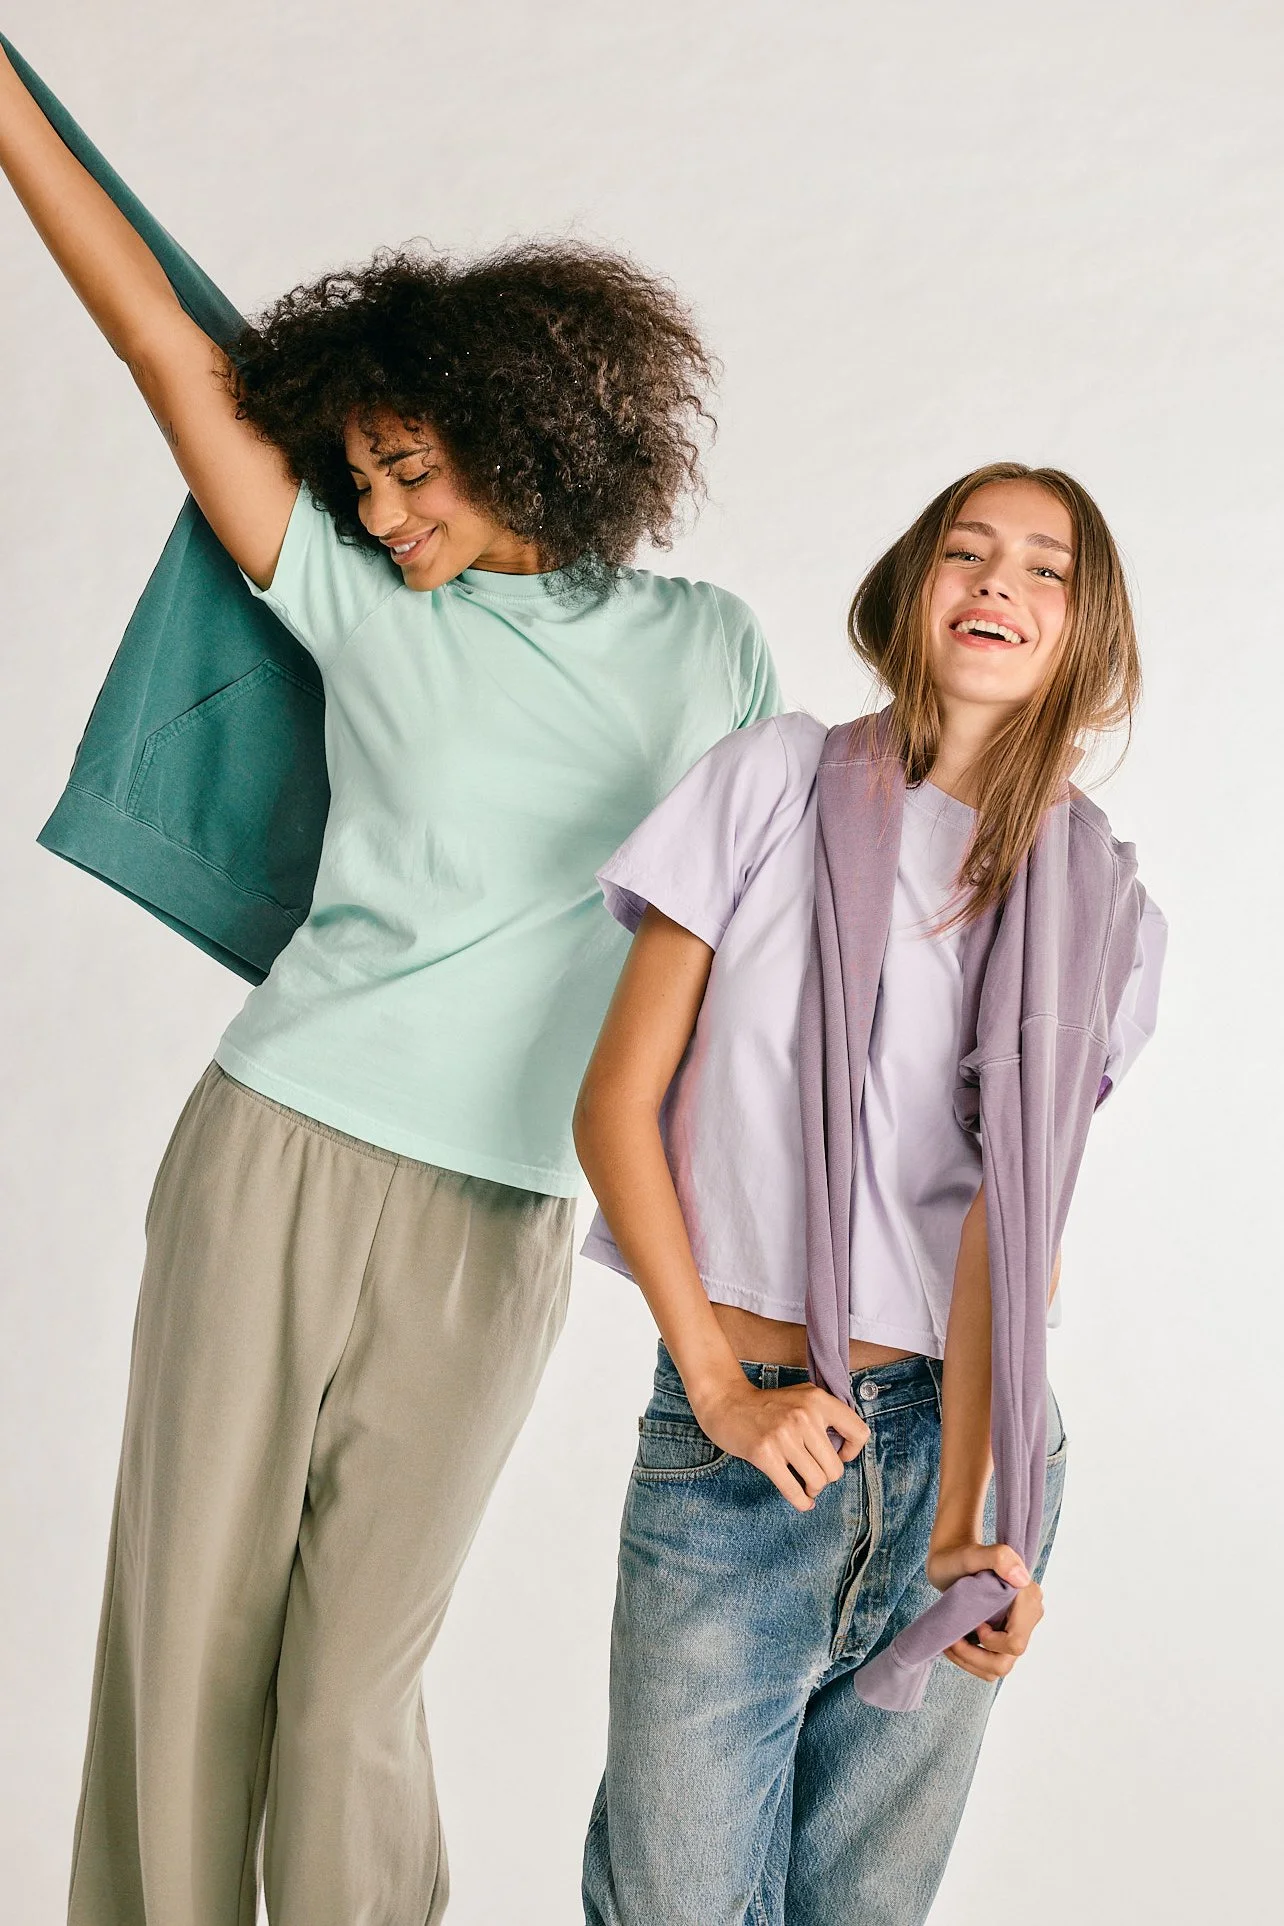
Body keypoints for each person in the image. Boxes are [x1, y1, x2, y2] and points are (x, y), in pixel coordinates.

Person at [0, 42, 781, 1926]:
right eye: (364, 481)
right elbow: (169, 352)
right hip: (279, 1142)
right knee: (187, 1639)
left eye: (414, 473)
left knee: (355, 1682)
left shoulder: (705, 651)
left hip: (506, 1205)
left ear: (528, 437)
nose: (391, 514)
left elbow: (770, 944)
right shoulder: (361, 600)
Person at [574, 463, 1166, 1926]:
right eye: (968, 552)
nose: (1000, 584)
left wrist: (986, 1520)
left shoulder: (1108, 907)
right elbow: (613, 1109)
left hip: (958, 1468)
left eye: (1047, 569)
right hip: (745, 1447)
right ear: (912, 593)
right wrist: (718, 1387)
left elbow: (1010, 1244)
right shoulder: (774, 777)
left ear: (1084, 638)